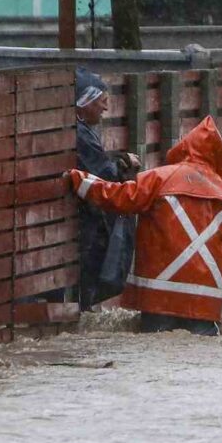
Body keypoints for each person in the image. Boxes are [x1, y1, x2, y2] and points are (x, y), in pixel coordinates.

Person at [64, 115, 222, 335]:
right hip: (205, 304)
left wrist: (79, 180)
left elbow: (117, 197)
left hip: (157, 298)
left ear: (185, 147)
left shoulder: (159, 179)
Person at [74, 67, 141, 311]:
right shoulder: (81, 135)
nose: (105, 108)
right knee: (90, 278)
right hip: (86, 225)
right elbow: (104, 175)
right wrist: (124, 166)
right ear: (85, 102)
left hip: (85, 223)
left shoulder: (83, 131)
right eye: (101, 102)